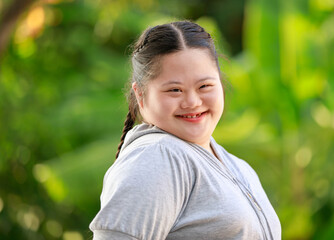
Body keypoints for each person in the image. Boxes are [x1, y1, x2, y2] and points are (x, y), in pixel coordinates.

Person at [89, 20, 281, 240]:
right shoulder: (156, 156)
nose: (192, 102)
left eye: (204, 86)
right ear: (140, 94)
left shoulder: (238, 166)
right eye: (174, 90)